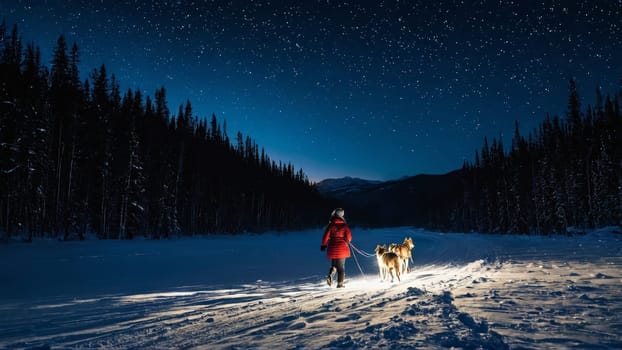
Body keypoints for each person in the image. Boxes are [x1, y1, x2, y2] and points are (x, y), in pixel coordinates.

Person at [321, 208, 352, 288]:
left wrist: (323, 245)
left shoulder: (331, 225)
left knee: (334, 265)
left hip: (332, 247)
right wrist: (347, 240)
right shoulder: (344, 226)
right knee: (341, 268)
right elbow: (349, 237)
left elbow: (325, 237)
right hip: (342, 248)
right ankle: (340, 284)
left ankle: (331, 274)